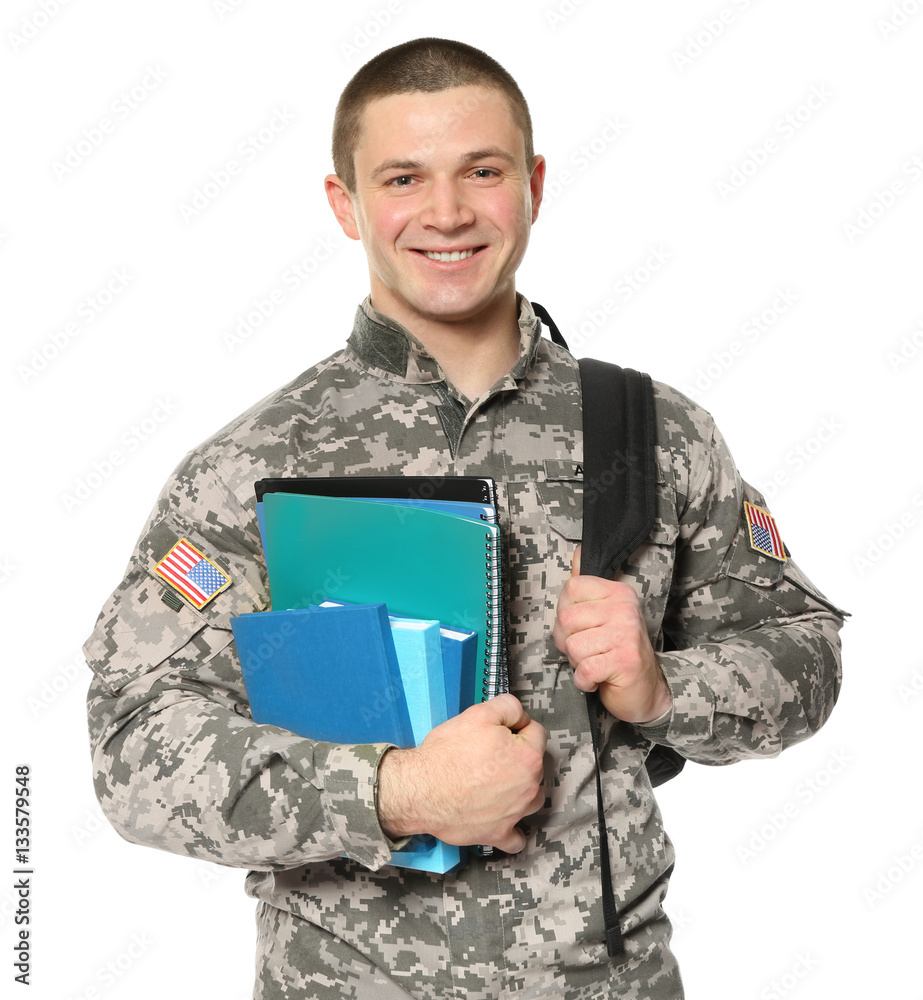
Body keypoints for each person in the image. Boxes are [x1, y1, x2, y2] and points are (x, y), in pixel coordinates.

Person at [83, 37, 844, 1000]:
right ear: (344, 203)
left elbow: (802, 658)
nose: (446, 213)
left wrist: (663, 687)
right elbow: (133, 751)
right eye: (403, 177)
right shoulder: (251, 467)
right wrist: (398, 791)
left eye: (480, 172)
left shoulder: (653, 433)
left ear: (529, 184)